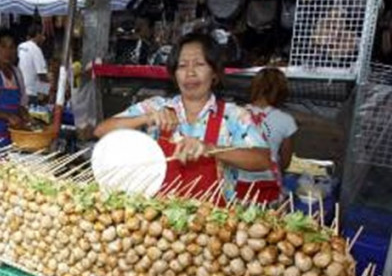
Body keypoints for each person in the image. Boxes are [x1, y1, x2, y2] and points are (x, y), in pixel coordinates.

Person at [95, 32, 271, 202]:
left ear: (215, 73)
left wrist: (210, 149)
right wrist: (146, 118)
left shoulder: (234, 116)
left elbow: (262, 159)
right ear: (174, 74)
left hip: (213, 221)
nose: (190, 73)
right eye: (182, 66)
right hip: (155, 218)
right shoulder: (155, 106)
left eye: (199, 64)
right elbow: (101, 131)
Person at [237, 67, 298, 203]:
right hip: (268, 187)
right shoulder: (287, 121)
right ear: (281, 92)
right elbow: (285, 162)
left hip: (236, 186)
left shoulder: (234, 113)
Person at [17, 24, 48, 104]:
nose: (44, 38)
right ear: (38, 34)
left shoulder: (20, 46)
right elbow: (42, 74)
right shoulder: (36, 50)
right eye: (42, 35)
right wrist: (45, 93)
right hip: (31, 93)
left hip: (18, 90)